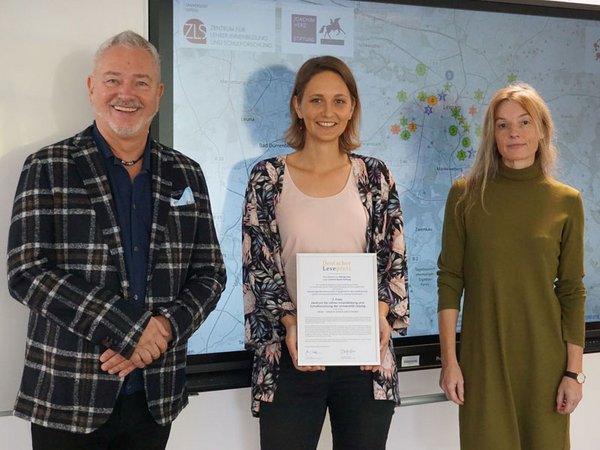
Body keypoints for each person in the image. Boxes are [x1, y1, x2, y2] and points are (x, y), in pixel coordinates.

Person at [6, 30, 226, 450]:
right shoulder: (48, 166)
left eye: (141, 82)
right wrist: (128, 330)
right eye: (113, 80)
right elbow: (26, 273)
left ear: (158, 93)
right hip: (67, 396)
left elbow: (211, 274)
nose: (127, 93)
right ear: (92, 87)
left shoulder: (187, 173)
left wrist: (160, 329)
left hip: (155, 395)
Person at [241, 55, 409, 450]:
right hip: (289, 354)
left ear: (352, 108)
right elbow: (258, 264)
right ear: (298, 106)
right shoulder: (267, 176)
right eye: (316, 100)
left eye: (339, 100)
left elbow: (393, 258)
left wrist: (381, 318)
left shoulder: (375, 175)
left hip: (365, 358)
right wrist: (292, 324)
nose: (327, 112)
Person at [437, 82, 586, 449]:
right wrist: (449, 362)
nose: (513, 132)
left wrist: (573, 372)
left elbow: (571, 290)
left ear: (542, 130)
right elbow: (450, 279)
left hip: (545, 363)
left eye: (523, 122)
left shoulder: (567, 202)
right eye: (502, 125)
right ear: (492, 135)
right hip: (482, 359)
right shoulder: (465, 194)